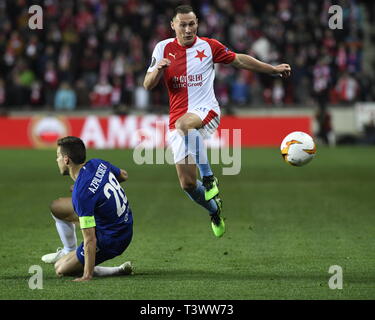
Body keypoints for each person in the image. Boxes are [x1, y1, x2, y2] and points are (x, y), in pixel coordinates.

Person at [143, 5, 291, 238]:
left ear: (197, 24)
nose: (188, 29)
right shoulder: (162, 48)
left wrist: (271, 69)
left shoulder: (209, 46)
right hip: (178, 119)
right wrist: (158, 70)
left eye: (192, 23)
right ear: (173, 25)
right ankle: (214, 210)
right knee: (188, 184)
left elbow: (239, 60)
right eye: (183, 24)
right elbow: (147, 85)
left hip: (205, 110)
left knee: (185, 125)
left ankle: (210, 179)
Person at [41, 136, 133, 281]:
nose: (56, 160)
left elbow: (90, 238)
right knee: (57, 207)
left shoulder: (82, 194)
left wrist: (87, 275)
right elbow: (124, 175)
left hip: (114, 238)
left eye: (58, 156)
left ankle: (116, 270)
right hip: (121, 221)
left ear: (66, 160)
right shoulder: (97, 163)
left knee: (60, 268)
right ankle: (68, 251)